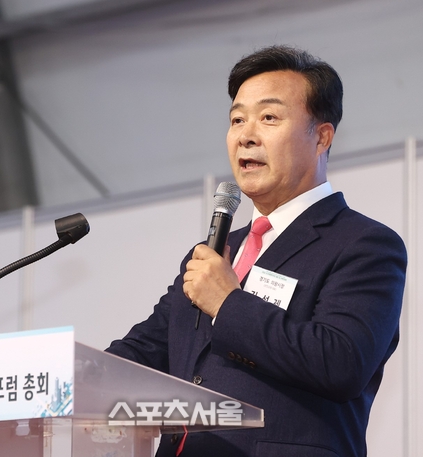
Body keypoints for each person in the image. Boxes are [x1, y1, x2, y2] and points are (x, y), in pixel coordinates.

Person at [106, 45, 407, 457]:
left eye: (269, 118)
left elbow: (341, 363)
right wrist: (67, 376)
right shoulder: (215, 252)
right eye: (237, 120)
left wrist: (228, 303)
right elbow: (143, 353)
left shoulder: (364, 244)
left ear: (321, 137)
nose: (246, 135)